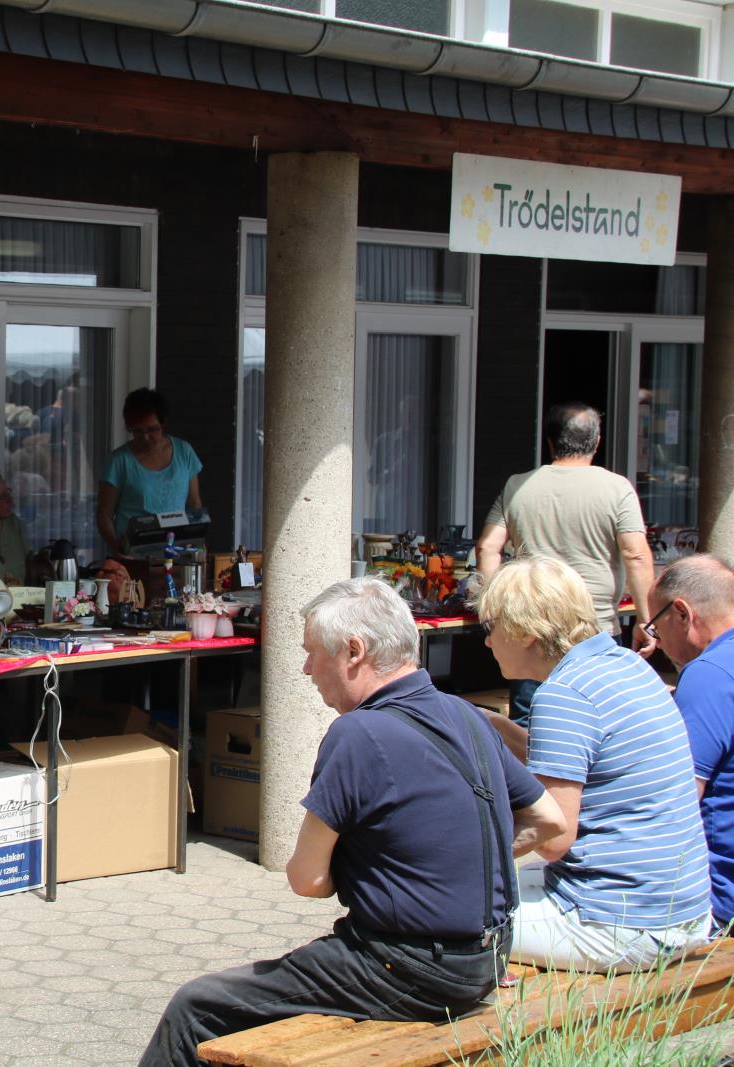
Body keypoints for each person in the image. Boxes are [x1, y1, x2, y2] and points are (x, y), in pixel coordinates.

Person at [141, 578, 563, 1067]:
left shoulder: (357, 733)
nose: (306, 669)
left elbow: (307, 879)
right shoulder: (467, 715)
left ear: (354, 651)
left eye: (312, 653)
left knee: (195, 1007)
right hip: (488, 959)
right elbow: (548, 819)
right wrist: (455, 862)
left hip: (408, 971)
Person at [475, 556, 711, 972]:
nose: (488, 643)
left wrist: (455, 852)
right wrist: (491, 725)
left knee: (432, 907)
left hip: (620, 925)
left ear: (526, 633)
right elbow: (577, 759)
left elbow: (551, 836)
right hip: (682, 910)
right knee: (476, 887)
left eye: (491, 628)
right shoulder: (624, 665)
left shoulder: (563, 696)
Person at [475, 402, 657, 725]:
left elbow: (487, 547)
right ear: (597, 441)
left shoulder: (518, 486)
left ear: (549, 441)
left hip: (530, 630)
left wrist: (495, 612)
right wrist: (646, 620)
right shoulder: (617, 488)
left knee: (529, 727)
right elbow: (636, 555)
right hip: (594, 628)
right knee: (595, 722)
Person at [646, 554, 734, 932]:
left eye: (654, 625)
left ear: (681, 613)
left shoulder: (708, 675)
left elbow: (674, 803)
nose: (656, 640)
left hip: (716, 901)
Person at [97, 388, 202, 555]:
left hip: (176, 553)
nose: (145, 437)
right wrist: (116, 547)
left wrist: (195, 540)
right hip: (133, 557)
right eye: (137, 431)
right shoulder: (118, 461)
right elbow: (104, 514)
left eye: (152, 429)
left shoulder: (184, 452)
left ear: (163, 423)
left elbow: (194, 503)